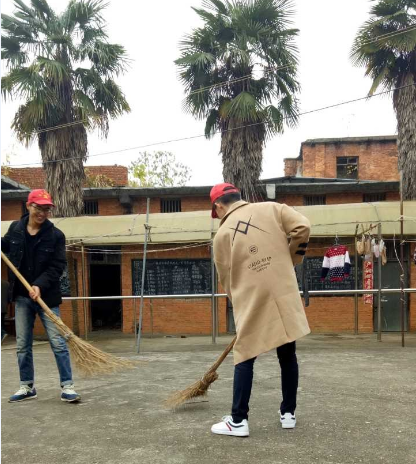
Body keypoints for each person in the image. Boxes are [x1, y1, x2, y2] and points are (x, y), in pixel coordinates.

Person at [210, 183, 311, 437]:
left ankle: (238, 420)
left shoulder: (221, 235)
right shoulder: (272, 209)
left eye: (216, 212)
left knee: (245, 354)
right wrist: (290, 260)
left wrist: (237, 300)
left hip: (252, 297)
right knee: (287, 352)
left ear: (219, 206)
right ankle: (288, 414)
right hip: (282, 290)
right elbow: (303, 227)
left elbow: (226, 276)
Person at [1, 189, 80, 403]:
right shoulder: (15, 229)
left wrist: (39, 285)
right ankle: (27, 386)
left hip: (47, 297)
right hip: (21, 296)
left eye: (46, 209)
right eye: (38, 208)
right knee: (22, 345)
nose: (42, 213)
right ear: (28, 206)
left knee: (58, 342)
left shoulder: (55, 235)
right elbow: (6, 246)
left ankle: (67, 385)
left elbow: (57, 266)